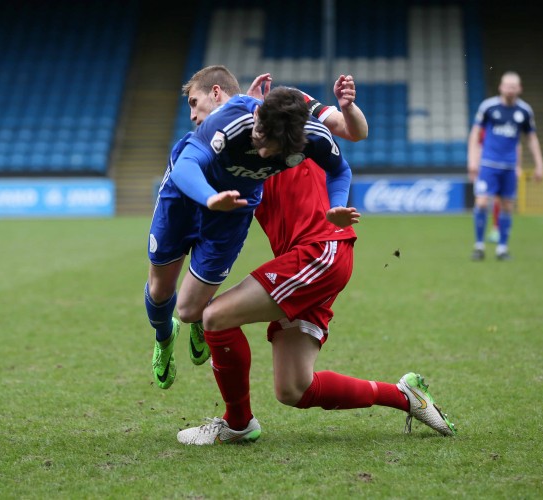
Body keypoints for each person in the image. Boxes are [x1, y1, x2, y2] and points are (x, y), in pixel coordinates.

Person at [176, 78, 457, 445]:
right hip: (309, 257)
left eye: (196, 103)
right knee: (294, 389)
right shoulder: (227, 143)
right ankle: (405, 396)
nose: (195, 115)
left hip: (320, 251)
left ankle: (237, 423)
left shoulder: (293, 114)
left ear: (219, 93)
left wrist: (347, 110)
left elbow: (349, 133)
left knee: (216, 316)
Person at [147, 66, 359, 390]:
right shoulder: (230, 121)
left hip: (233, 208)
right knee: (160, 291)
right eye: (260, 139)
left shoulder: (311, 135)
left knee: (190, 310)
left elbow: (339, 169)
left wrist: (336, 205)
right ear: (257, 115)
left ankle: (194, 327)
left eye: (272, 151)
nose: (262, 153)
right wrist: (209, 197)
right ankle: (164, 338)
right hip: (188, 194)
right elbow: (187, 166)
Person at [467, 71, 543, 261]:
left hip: (509, 167)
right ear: (501, 87)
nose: (510, 89)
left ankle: (502, 248)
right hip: (488, 164)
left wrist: (539, 164)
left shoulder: (525, 111)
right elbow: (475, 133)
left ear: (519, 89)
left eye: (513, 86)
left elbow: (531, 138)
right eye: (507, 85)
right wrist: (472, 160)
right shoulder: (488, 107)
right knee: (482, 202)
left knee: (507, 206)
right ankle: (479, 246)